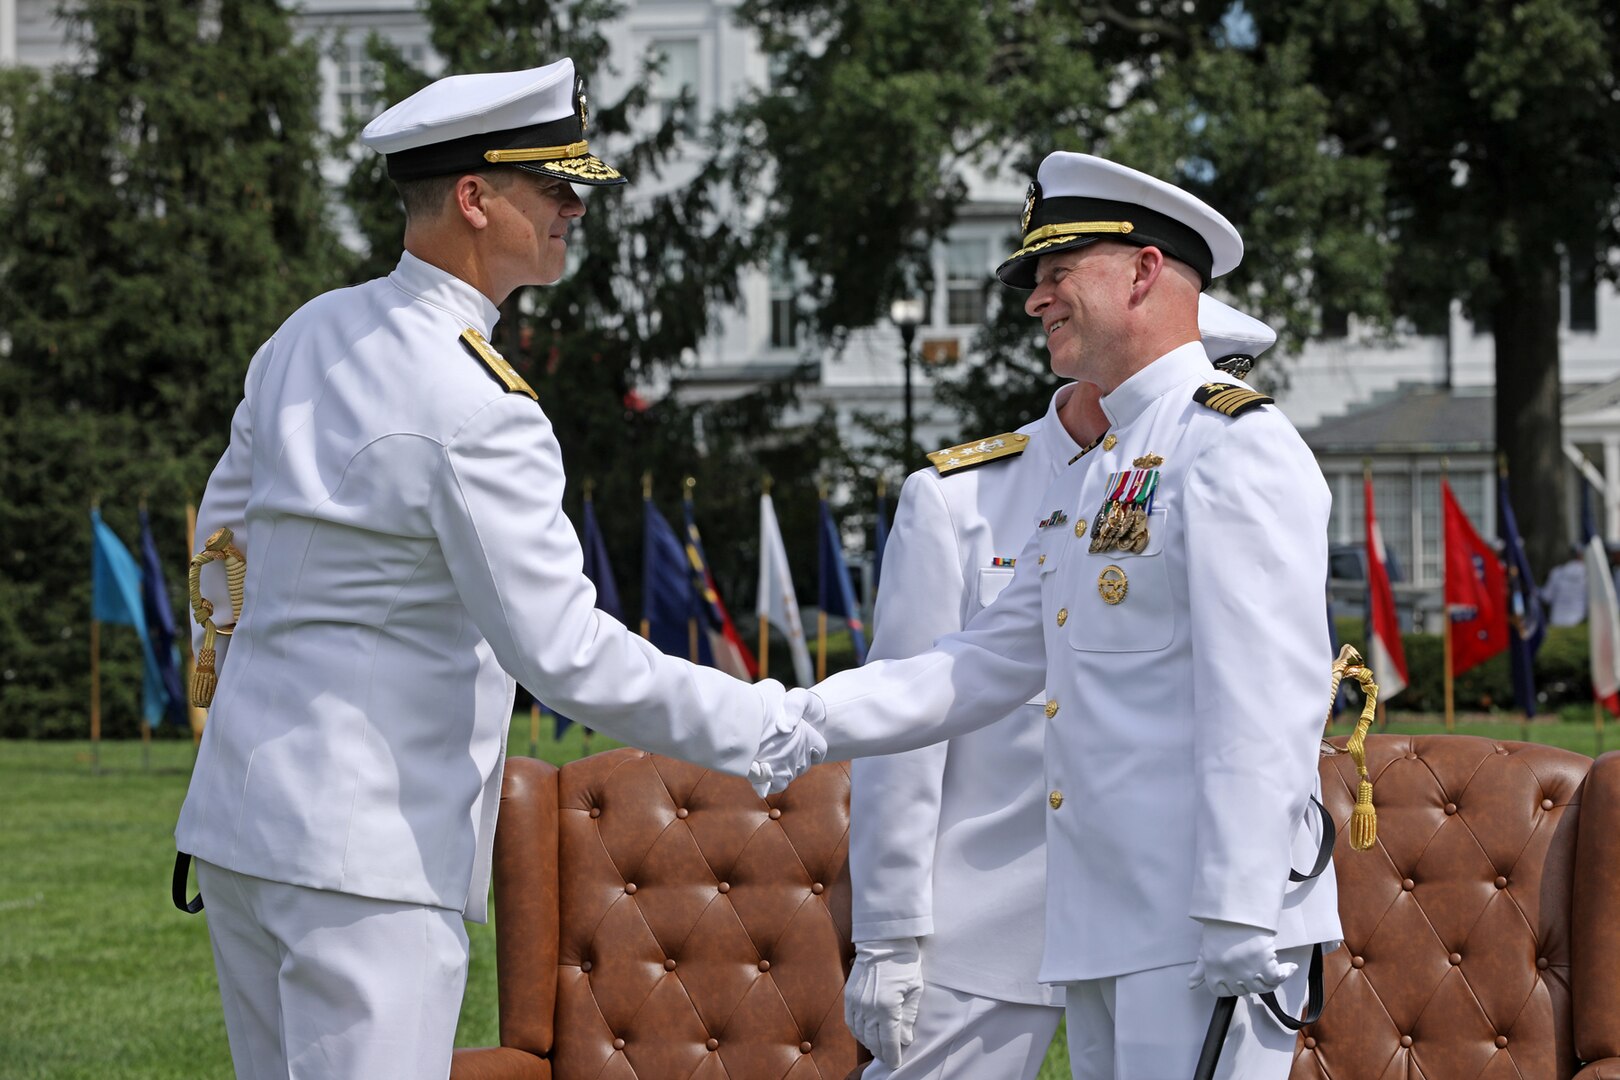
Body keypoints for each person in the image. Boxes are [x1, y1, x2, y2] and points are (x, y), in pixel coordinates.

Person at [172, 59, 823, 1080]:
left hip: (245, 824)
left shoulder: (309, 332)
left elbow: (221, 559)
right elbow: (566, 657)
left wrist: (230, 721)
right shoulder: (481, 403)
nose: (574, 209)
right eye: (554, 186)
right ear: (475, 199)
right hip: (368, 855)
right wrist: (771, 725)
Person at [791, 152, 1339, 1080]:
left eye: (1057, 273)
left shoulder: (1235, 447)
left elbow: (1268, 696)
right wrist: (785, 722)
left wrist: (1242, 906)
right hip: (1108, 918)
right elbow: (985, 662)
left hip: (1200, 916)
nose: (1038, 300)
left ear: (1144, 271)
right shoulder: (1105, 469)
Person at [846, 296, 1279, 1078]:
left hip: (1154, 905)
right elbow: (906, 731)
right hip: (986, 910)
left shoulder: (1203, 479)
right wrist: (888, 928)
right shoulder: (961, 499)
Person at [1542, 545, 1587, 626]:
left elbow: (1546, 597)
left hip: (1556, 621)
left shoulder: (1556, 572)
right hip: (1578, 622)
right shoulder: (1589, 573)